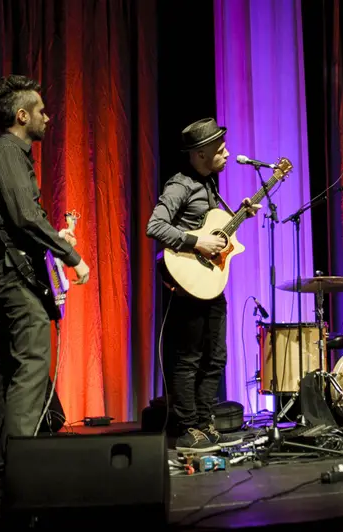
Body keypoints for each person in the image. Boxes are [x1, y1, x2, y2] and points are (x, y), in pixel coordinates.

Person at [0, 75, 91, 494]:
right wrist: (72, 256)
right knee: (31, 369)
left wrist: (53, 239)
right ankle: (20, 474)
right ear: (21, 115)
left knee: (19, 371)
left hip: (17, 272)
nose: (47, 115)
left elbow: (20, 222)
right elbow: (24, 217)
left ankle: (12, 463)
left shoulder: (9, 155)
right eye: (40, 110)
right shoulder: (6, 152)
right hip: (17, 278)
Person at [147, 118, 260, 453]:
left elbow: (215, 230)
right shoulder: (180, 185)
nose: (227, 155)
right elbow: (155, 226)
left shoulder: (209, 184)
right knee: (189, 357)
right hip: (187, 283)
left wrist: (240, 216)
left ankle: (204, 422)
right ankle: (185, 428)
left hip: (211, 283)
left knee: (216, 357)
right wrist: (195, 242)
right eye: (219, 150)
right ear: (199, 154)